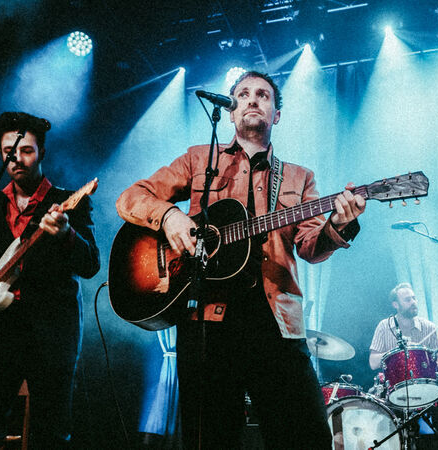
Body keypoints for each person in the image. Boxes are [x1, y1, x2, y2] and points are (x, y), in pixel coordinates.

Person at [115, 71, 366, 449]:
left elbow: (310, 247)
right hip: (208, 322)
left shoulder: (300, 177)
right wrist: (169, 216)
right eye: (243, 94)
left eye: (263, 95)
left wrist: (339, 225)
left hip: (276, 322)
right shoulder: (200, 159)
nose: (252, 100)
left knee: (306, 438)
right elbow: (130, 197)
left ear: (276, 114)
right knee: (211, 439)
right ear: (230, 112)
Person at [0, 111, 100, 448]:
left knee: (50, 432)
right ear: (0, 154)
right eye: (10, 152)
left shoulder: (68, 203)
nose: (17, 159)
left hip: (50, 335)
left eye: (26, 151)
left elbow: (91, 263)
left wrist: (66, 233)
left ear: (42, 153)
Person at [368, 282, 438, 448]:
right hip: (394, 389)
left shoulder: (429, 327)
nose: (413, 302)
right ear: (396, 305)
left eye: (414, 298)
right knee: (383, 409)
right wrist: (395, 353)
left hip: (425, 388)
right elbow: (372, 362)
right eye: (407, 300)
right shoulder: (385, 327)